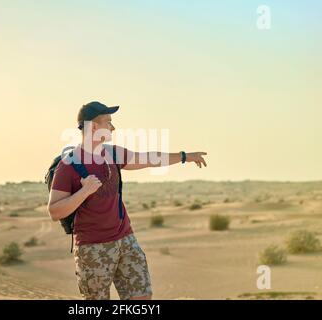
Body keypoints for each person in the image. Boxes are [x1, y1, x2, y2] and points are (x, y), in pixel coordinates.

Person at [47, 101, 208, 300]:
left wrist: (185, 156)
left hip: (125, 239)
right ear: (94, 127)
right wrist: (85, 191)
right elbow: (54, 211)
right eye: (108, 122)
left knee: (142, 297)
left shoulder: (113, 153)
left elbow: (149, 158)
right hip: (93, 248)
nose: (113, 127)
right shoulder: (68, 165)